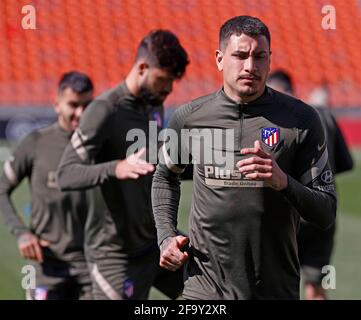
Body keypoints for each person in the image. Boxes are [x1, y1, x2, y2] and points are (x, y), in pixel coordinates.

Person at [152, 16, 336, 300]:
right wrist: (166, 236)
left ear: (270, 59)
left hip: (274, 289)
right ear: (219, 59)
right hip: (203, 289)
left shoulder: (301, 120)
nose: (250, 66)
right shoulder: (190, 117)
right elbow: (165, 176)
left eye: (259, 56)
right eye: (240, 55)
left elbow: (325, 212)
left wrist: (283, 182)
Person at [56, 30, 189, 300]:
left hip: (156, 242)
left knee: (216, 292)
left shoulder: (153, 107)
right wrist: (116, 167)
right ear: (142, 68)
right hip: (114, 256)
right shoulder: (104, 109)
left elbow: (152, 167)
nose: (167, 89)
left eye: (172, 82)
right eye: (162, 80)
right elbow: (65, 174)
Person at [0, 71, 94, 300]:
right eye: (73, 104)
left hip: (93, 267)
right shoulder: (36, 143)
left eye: (87, 105)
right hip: (45, 266)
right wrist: (21, 233)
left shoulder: (102, 145)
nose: (80, 113)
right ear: (56, 104)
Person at [267, 70, 354, 300]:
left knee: (277, 286)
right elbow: (346, 164)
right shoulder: (323, 116)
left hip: (286, 216)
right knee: (316, 287)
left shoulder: (269, 120)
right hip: (322, 215)